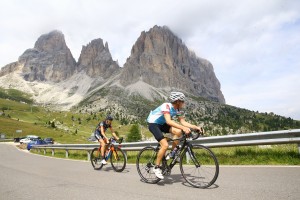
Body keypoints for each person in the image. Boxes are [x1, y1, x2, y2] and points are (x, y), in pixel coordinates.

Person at [147, 92, 204, 179]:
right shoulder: (166, 106)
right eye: (182, 101)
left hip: (162, 124)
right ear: (177, 101)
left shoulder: (178, 110)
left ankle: (172, 152)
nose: (184, 103)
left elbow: (183, 122)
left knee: (179, 132)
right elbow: (169, 121)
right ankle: (156, 167)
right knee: (165, 145)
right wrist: (183, 128)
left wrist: (196, 127)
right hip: (153, 124)